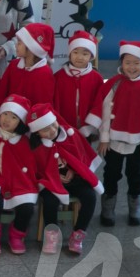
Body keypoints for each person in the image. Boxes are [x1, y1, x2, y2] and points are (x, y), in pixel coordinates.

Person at [85, 41, 140, 226]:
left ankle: (135, 208)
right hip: (113, 141)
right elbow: (105, 112)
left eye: (136, 63)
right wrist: (104, 139)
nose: (131, 67)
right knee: (111, 173)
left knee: (136, 174)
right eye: (128, 62)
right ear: (121, 63)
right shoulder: (114, 84)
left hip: (139, 142)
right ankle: (108, 209)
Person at [28, 103, 103, 255]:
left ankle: (78, 234)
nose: (52, 131)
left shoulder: (71, 134)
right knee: (50, 201)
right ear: (37, 133)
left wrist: (74, 173)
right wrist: (54, 176)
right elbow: (36, 169)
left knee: (90, 197)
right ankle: (52, 235)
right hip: (50, 182)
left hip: (75, 179)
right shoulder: (36, 146)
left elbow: (81, 159)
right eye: (45, 129)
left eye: (53, 125)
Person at [0, 95, 38, 255]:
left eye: (14, 117)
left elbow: (29, 165)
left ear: (20, 122)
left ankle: (17, 235)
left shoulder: (24, 142)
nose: (7, 120)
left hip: (18, 181)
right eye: (5, 114)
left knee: (27, 207)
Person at [53, 31, 104, 140]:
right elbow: (55, 102)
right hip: (63, 128)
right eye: (75, 52)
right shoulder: (59, 76)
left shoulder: (96, 78)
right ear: (70, 54)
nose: (79, 57)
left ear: (91, 57)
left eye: (85, 54)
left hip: (87, 130)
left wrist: (90, 126)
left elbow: (99, 103)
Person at [0, 22, 56, 109]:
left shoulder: (45, 73)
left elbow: (43, 105)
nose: (16, 45)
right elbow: (2, 91)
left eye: (19, 43)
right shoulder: (13, 65)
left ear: (31, 48)